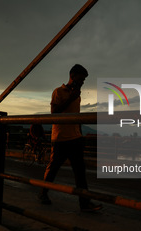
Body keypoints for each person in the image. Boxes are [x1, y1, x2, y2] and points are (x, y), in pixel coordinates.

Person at [38, 64, 102, 212]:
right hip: (60, 138)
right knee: (53, 168)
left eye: (84, 80)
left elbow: (76, 116)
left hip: (76, 139)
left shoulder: (77, 95)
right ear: (72, 76)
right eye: (81, 79)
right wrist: (70, 98)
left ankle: (84, 203)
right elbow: (54, 113)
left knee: (80, 172)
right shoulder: (58, 91)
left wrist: (80, 135)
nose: (82, 82)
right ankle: (43, 193)